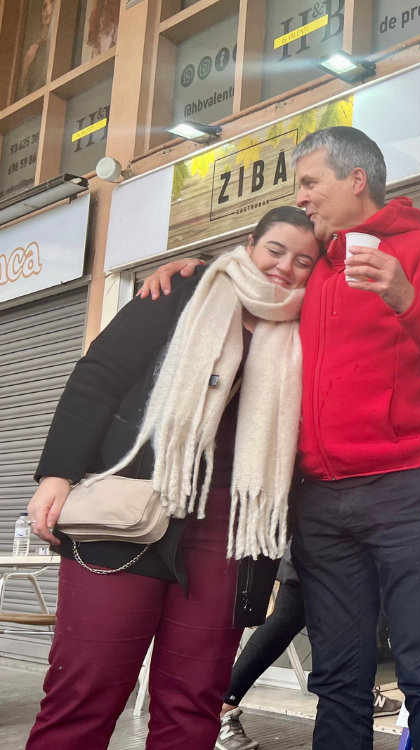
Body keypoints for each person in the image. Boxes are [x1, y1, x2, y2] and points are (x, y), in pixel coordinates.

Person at [142, 126, 420, 750]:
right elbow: (251, 289)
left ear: (356, 180)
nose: (301, 197)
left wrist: (406, 296)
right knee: (337, 677)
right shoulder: (312, 273)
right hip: (322, 502)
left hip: (410, 490)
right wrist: (200, 273)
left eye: (310, 182)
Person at [25, 207, 319, 750]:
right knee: (84, 691)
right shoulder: (187, 291)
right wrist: (57, 474)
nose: (285, 267)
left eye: (304, 260)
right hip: (131, 509)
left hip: (230, 531)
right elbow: (100, 375)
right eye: (275, 249)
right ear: (250, 245)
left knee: (194, 703)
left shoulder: (310, 327)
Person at [215, 545, 402, 750]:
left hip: (356, 541)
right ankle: (223, 708)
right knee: (289, 617)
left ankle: (360, 692)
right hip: (319, 536)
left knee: (351, 614)